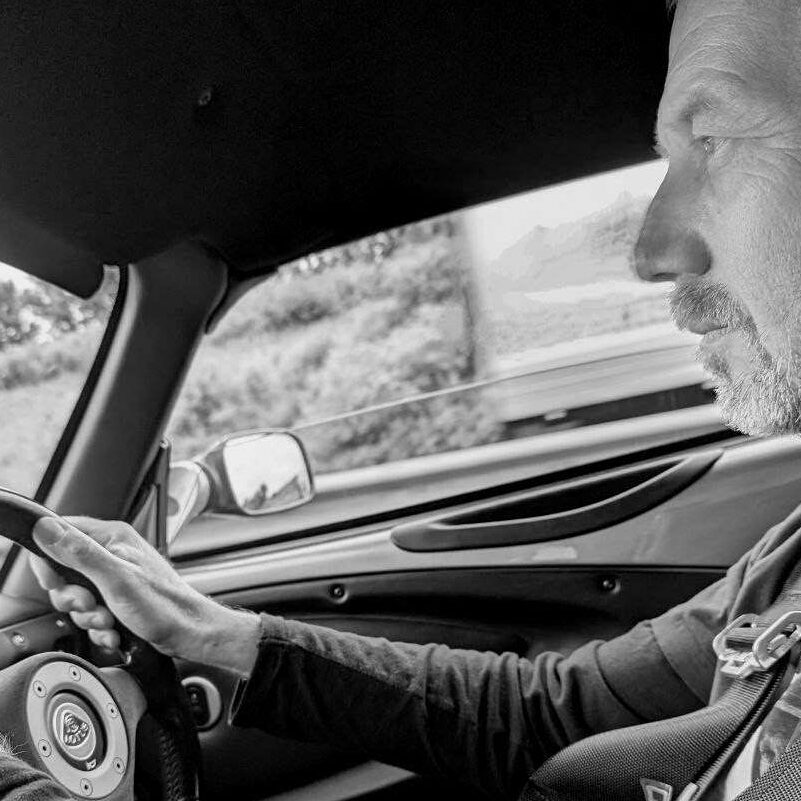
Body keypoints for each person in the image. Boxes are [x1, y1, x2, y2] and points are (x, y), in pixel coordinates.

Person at [16, 0, 801, 798]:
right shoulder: (789, 559)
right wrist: (205, 630)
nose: (651, 251)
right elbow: (558, 715)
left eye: (713, 140)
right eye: (670, 156)